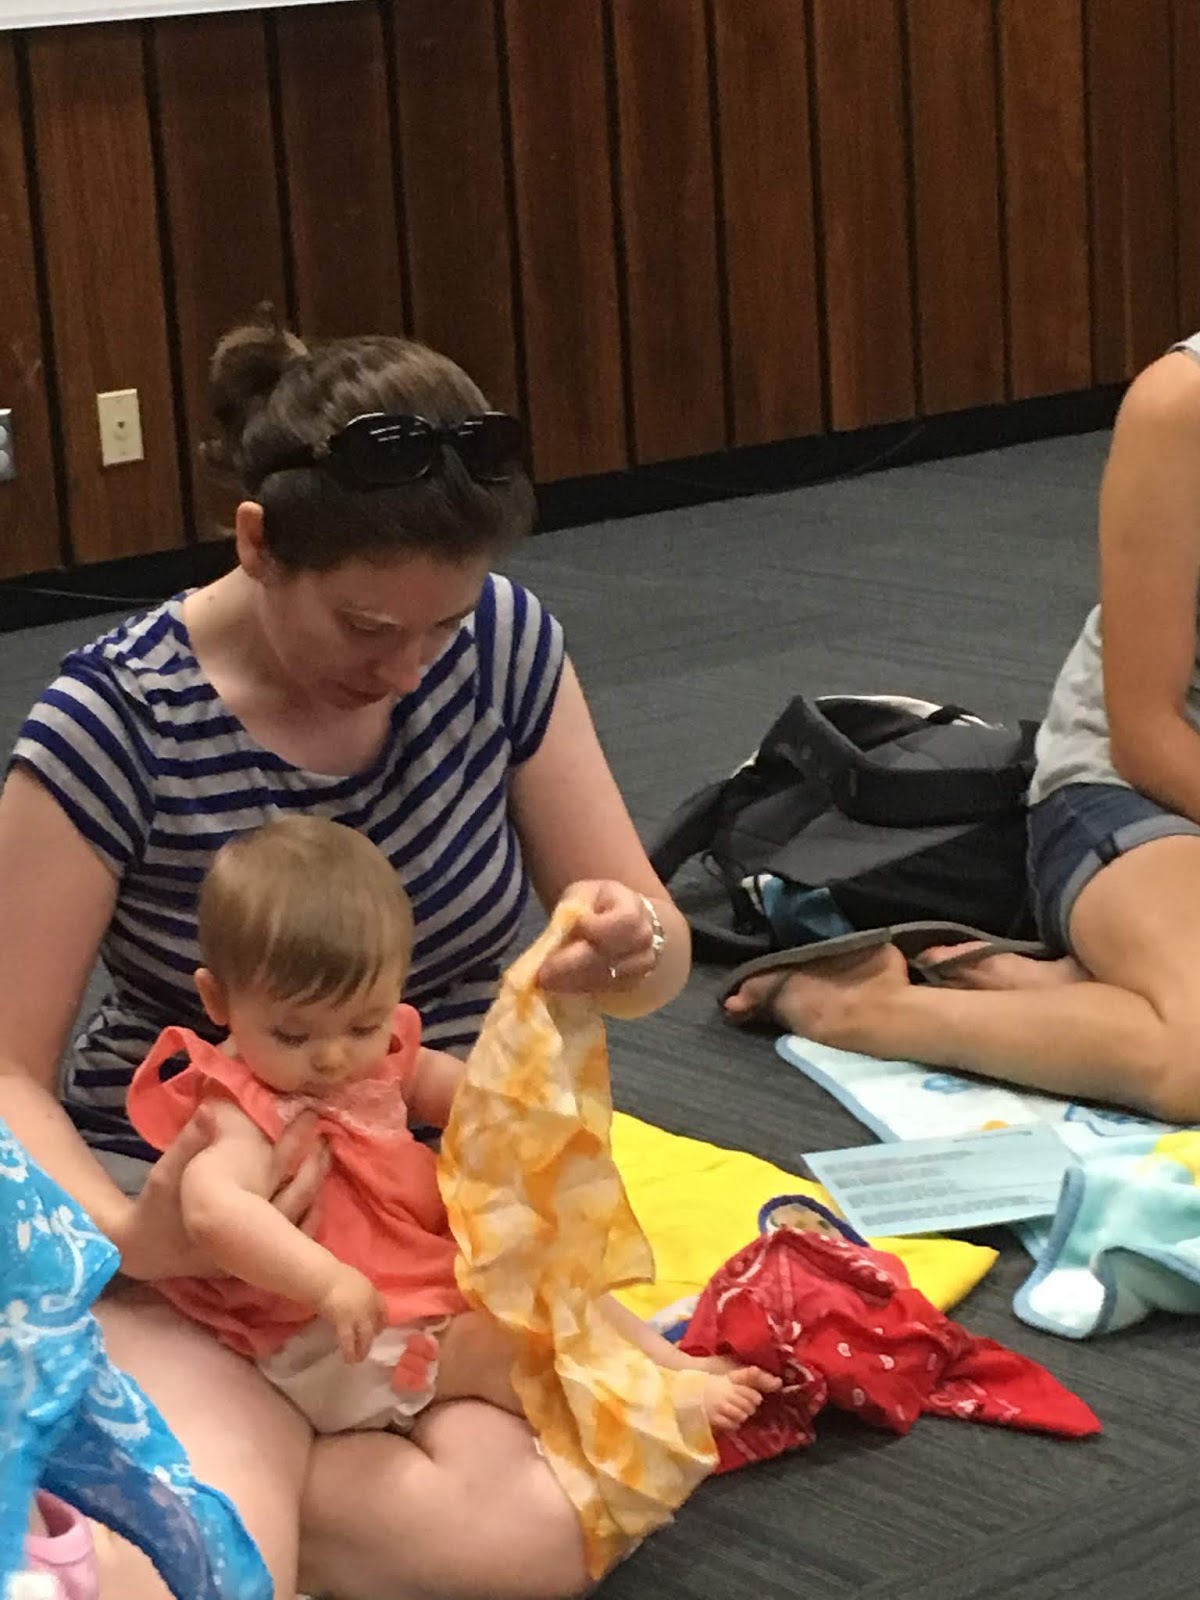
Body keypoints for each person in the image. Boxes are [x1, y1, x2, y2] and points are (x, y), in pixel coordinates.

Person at [0, 309, 693, 1600]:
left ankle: (189, 1455)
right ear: (257, 544)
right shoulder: (113, 721)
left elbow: (656, 955)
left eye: (442, 625)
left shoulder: (501, 645)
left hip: (419, 1210)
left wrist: (625, 941)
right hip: (203, 1210)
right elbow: (4, 1070)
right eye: (368, 626)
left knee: (526, 1541)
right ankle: (205, 1446)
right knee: (216, 1553)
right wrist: (134, 1239)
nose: (409, 668)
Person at [129, 815, 773, 1439]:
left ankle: (670, 1364)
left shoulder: (374, 1058)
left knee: (552, 1267)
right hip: (332, 1332)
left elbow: (458, 1092)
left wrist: (521, 1109)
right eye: (292, 1035)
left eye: (363, 1024)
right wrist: (326, 1281)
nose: (333, 1057)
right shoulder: (239, 1107)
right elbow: (215, 1209)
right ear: (218, 1001)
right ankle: (644, 1408)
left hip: (421, 1264)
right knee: (500, 1348)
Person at [725, 333, 1200, 1126]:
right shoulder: (1181, 406)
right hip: (1140, 789)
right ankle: (866, 1010)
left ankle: (1085, 991)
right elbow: (1147, 735)